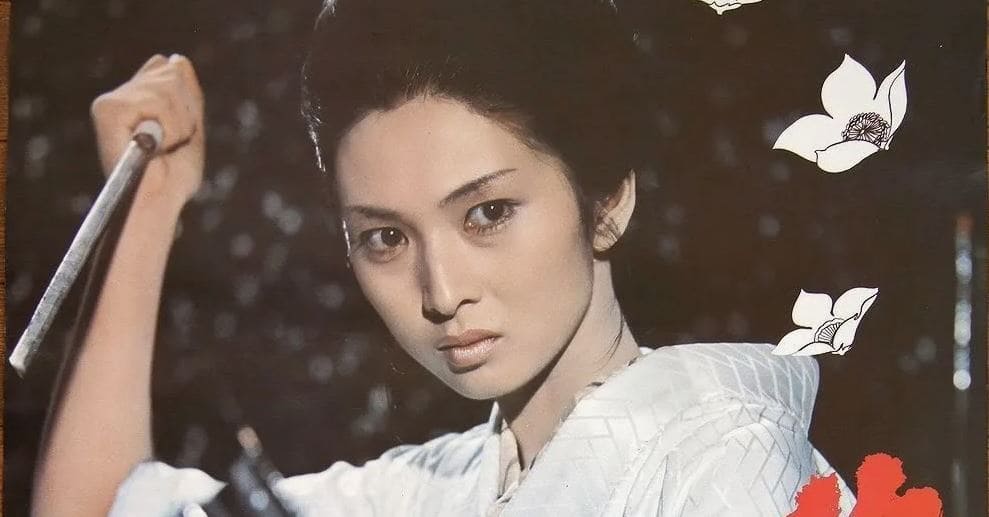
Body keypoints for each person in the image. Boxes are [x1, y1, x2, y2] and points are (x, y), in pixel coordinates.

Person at [32, 0, 856, 515]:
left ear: (606, 200)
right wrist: (148, 204)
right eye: (385, 238)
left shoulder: (724, 457)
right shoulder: (440, 488)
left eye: (488, 213)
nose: (440, 291)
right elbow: (102, 509)